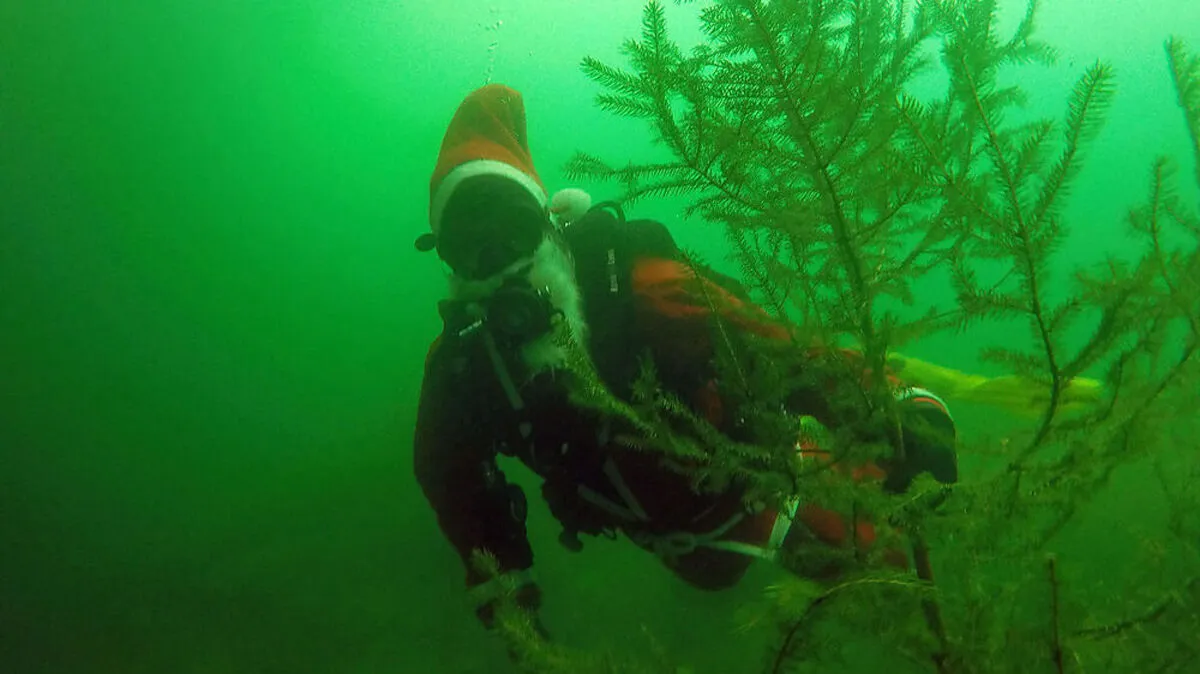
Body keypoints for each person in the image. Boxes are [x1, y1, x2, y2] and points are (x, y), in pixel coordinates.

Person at [411, 83, 959, 636]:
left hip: (768, 487)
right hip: (678, 545)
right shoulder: (463, 369)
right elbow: (448, 471)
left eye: (512, 229)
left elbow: (783, 352)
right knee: (720, 581)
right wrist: (504, 583)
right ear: (446, 259)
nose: (498, 260)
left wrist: (901, 411)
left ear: (549, 224)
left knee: (896, 588)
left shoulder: (636, 287)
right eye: (469, 244)